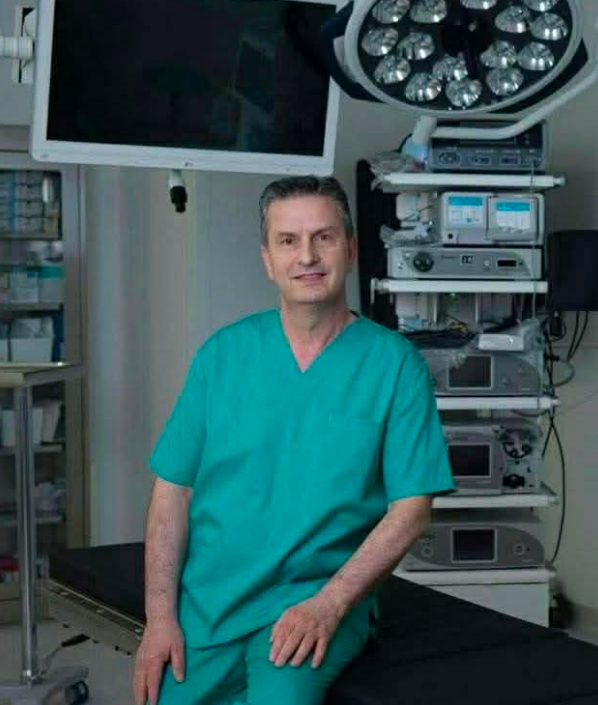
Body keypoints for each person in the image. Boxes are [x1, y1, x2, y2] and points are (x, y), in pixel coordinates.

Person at [132, 176, 454, 705]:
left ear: (350, 248)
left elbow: (411, 510)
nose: (307, 256)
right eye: (288, 240)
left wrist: (330, 604)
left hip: (311, 602)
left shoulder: (394, 366)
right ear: (268, 259)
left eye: (323, 237)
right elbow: (173, 492)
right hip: (210, 603)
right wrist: (160, 618)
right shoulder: (223, 356)